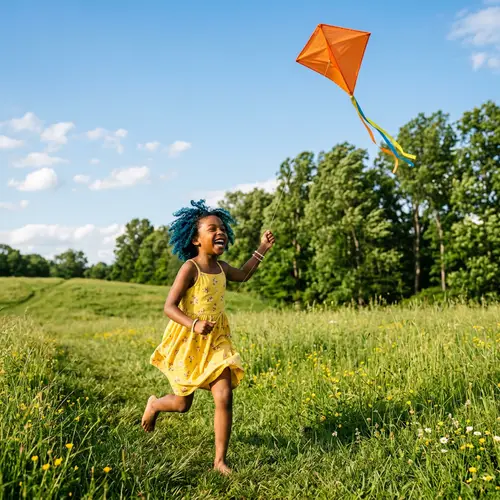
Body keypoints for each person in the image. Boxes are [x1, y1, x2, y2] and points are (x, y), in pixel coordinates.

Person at [141, 199, 275, 474]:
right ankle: (155, 404)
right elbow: (169, 307)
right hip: (189, 340)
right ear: (195, 239)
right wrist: (193, 324)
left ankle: (219, 461)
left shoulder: (223, 268)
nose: (220, 232)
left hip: (217, 341)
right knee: (182, 404)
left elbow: (246, 274)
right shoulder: (190, 268)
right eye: (212, 228)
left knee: (224, 395)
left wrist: (262, 247)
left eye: (223, 228)